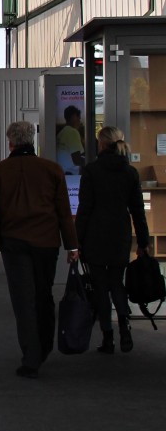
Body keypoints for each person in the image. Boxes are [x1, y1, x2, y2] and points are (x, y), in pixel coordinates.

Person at [0, 120, 79, 379]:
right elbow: (63, 212)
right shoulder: (52, 169)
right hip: (47, 243)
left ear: (10, 142)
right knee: (43, 295)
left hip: (14, 244)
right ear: (32, 141)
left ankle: (31, 356)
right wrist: (72, 244)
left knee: (23, 300)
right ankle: (45, 345)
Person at [75, 126, 150, 353]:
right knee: (117, 283)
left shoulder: (91, 171)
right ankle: (125, 328)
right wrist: (143, 241)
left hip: (95, 236)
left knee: (100, 287)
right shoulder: (130, 172)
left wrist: (76, 241)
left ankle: (108, 337)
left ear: (102, 144)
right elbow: (137, 209)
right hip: (120, 235)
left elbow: (85, 209)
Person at [56, 105, 86, 174]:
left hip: (63, 172)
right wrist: (93, 162)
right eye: (78, 117)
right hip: (71, 175)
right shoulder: (72, 132)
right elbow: (77, 160)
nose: (79, 121)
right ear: (73, 117)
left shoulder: (62, 132)